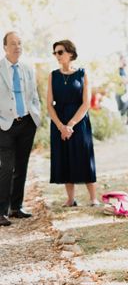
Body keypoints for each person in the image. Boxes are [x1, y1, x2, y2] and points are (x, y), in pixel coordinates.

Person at [47, 40, 98, 207]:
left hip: (79, 122)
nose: (57, 56)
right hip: (58, 122)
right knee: (65, 158)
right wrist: (61, 126)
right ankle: (70, 199)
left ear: (70, 53)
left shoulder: (82, 74)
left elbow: (86, 104)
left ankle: (93, 198)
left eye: (60, 52)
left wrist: (70, 124)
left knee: (84, 157)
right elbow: (49, 105)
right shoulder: (52, 75)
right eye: (55, 53)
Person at [0, 32, 41, 226]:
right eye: (13, 44)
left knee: (22, 166)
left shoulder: (27, 69)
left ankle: (16, 207)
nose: (17, 47)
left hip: (26, 123)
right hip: (4, 125)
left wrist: (36, 116)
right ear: (5, 47)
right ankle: (1, 211)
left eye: (20, 43)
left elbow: (34, 95)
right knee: (6, 167)